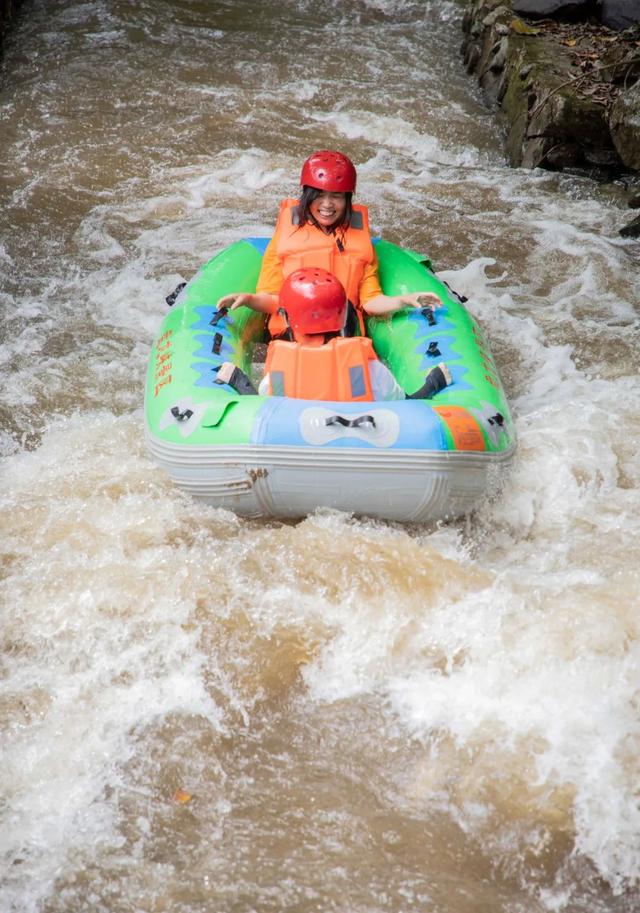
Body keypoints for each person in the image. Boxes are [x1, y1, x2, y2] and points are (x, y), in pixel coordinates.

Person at [216, 149, 442, 336]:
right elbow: (274, 299)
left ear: (347, 199)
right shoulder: (283, 242)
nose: (327, 204)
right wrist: (248, 300)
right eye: (320, 195)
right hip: (293, 335)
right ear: (307, 195)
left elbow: (371, 302)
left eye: (336, 196)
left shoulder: (361, 245)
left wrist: (404, 299)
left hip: (345, 332)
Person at [215, 267, 451, 402]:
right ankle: (437, 380)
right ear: (343, 316)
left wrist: (239, 380)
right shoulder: (371, 369)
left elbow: (264, 408)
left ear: (286, 318)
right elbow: (406, 408)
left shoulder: (279, 373)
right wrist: (432, 383)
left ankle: (235, 377)